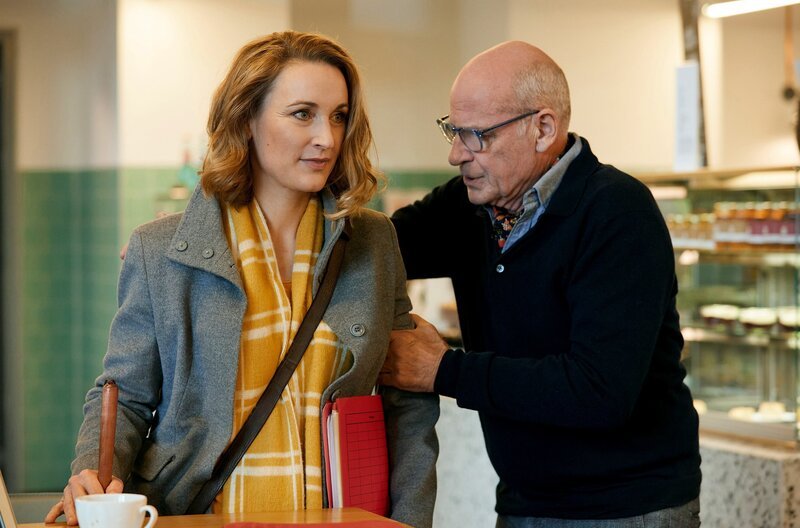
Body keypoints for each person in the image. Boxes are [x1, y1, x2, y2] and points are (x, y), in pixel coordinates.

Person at [45, 31, 438, 527]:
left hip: (342, 519)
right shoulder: (160, 250)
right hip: (200, 516)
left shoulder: (373, 241)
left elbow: (407, 407)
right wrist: (89, 473)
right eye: (303, 114)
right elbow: (124, 397)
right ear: (246, 118)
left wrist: (410, 521)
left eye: (339, 116)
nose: (327, 138)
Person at [381, 40, 701, 527]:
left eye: (474, 134)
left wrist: (445, 370)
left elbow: (599, 391)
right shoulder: (469, 207)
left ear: (543, 128)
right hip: (523, 501)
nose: (454, 154)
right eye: (452, 130)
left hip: (627, 508)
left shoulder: (616, 211)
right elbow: (377, 251)